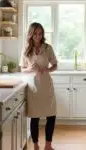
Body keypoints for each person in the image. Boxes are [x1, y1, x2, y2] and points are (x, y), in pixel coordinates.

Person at [19, 22, 58, 150]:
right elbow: (22, 69)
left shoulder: (48, 48)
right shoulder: (26, 49)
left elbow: (55, 65)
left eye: (40, 33)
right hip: (33, 87)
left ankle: (48, 145)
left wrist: (47, 70)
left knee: (51, 115)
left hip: (46, 85)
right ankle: (36, 145)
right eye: (35, 33)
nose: (38, 36)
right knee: (34, 117)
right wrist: (30, 68)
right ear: (30, 34)